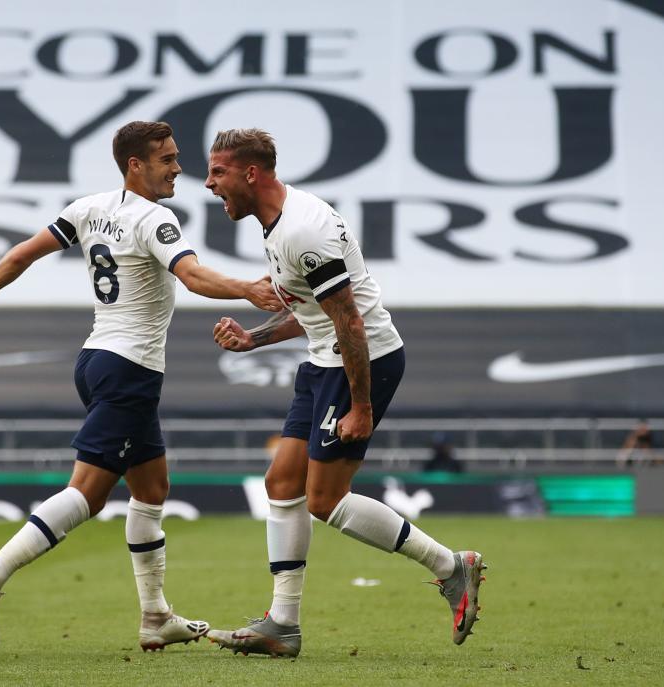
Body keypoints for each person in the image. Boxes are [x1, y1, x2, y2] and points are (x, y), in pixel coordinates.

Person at [0, 121, 281, 651]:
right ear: (136, 164)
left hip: (98, 359)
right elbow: (193, 277)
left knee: (151, 490)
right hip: (129, 368)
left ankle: (156, 617)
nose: (179, 168)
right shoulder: (156, 220)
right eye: (167, 159)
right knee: (88, 491)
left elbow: (22, 254)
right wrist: (248, 288)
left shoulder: (87, 208)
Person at [204, 129, 485, 657]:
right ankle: (282, 624)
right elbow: (315, 312)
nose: (208, 182)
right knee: (281, 481)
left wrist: (362, 406)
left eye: (217, 172)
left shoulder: (301, 231)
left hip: (362, 361)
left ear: (250, 173)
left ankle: (451, 567)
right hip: (323, 359)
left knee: (324, 500)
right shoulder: (278, 223)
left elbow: (351, 322)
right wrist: (253, 338)